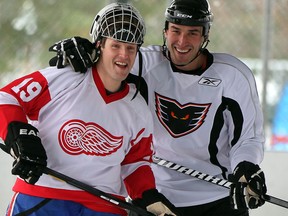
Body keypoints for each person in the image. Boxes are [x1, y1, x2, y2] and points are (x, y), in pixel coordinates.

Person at [48, 0, 268, 215]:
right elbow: (105, 64)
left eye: (192, 32)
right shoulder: (143, 63)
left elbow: (248, 138)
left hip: (217, 197)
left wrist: (246, 168)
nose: (182, 41)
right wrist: (84, 50)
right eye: (175, 30)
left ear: (205, 36)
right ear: (165, 31)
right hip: (153, 196)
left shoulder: (233, 75)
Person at [0, 2, 178, 216]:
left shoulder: (138, 108)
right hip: (44, 194)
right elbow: (7, 98)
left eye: (131, 48)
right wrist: (20, 137)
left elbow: (135, 163)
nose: (124, 55)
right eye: (116, 45)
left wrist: (147, 195)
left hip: (104, 205)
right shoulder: (65, 78)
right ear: (100, 45)